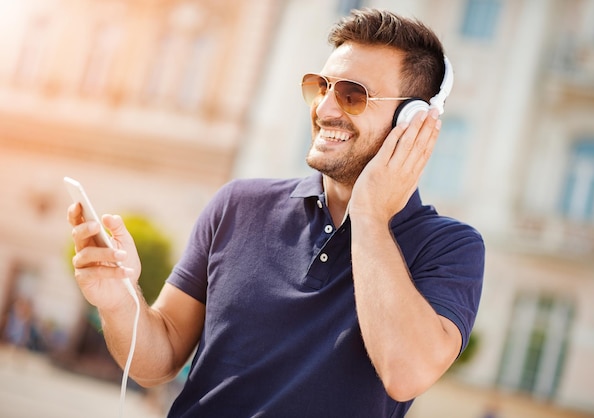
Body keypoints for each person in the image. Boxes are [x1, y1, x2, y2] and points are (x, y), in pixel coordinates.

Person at [68, 8, 484, 417]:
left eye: (353, 95)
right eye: (321, 87)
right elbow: (159, 360)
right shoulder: (238, 205)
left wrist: (371, 215)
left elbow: (406, 372)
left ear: (413, 121)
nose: (324, 109)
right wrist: (119, 301)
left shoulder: (450, 248)